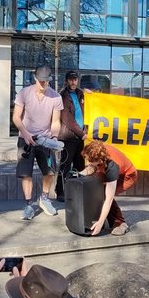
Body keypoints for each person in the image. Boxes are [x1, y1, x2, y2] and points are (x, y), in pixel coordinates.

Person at [12, 65, 63, 220]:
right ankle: (28, 205)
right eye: (40, 81)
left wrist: (54, 137)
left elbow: (55, 121)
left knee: (49, 171)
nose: (43, 84)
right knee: (26, 173)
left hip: (45, 139)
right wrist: (25, 133)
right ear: (35, 79)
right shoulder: (24, 93)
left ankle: (44, 198)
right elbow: (16, 117)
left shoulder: (56, 97)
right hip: (26, 138)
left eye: (46, 81)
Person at [79, 140, 138, 236]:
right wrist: (78, 175)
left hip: (128, 176)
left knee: (103, 195)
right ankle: (99, 217)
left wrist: (100, 224)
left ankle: (120, 223)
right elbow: (92, 167)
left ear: (98, 160)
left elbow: (109, 199)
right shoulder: (97, 151)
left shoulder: (112, 167)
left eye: (90, 160)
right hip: (106, 167)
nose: (87, 161)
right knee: (96, 189)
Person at [56, 71, 86, 203]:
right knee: (65, 165)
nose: (74, 82)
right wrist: (81, 133)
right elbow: (68, 119)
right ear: (67, 80)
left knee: (80, 165)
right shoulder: (63, 96)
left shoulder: (80, 93)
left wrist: (92, 95)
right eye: (71, 79)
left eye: (75, 79)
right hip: (68, 137)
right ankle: (60, 191)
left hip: (80, 137)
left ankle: (79, 191)